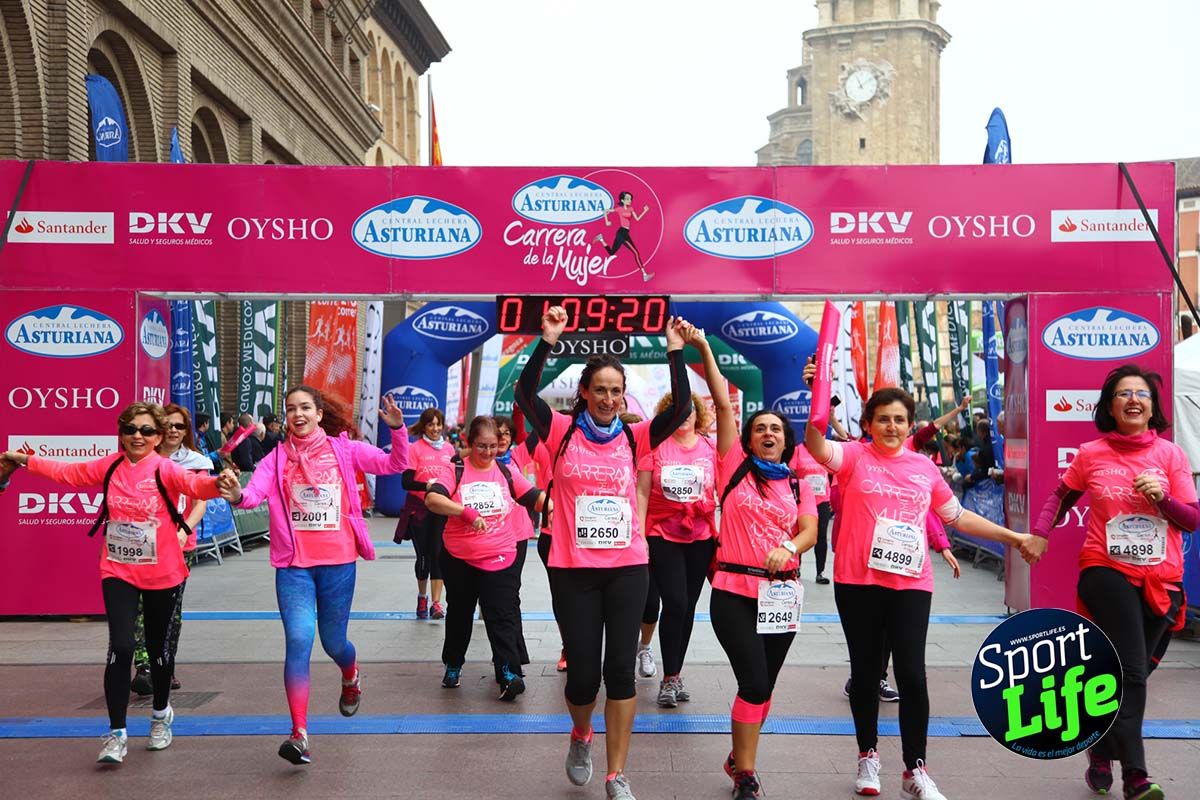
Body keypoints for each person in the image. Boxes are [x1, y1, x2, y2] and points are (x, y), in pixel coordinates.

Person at [805, 385, 1031, 800]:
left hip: (910, 583)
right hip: (858, 583)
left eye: (899, 420)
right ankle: (867, 756)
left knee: (912, 674)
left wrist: (1013, 537)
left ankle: (914, 769)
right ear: (869, 425)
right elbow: (815, 443)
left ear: (910, 425)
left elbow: (958, 517)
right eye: (883, 419)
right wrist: (818, 391)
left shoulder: (924, 468)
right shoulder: (854, 457)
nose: (891, 426)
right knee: (867, 673)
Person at [515, 305, 692, 800]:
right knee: (583, 680)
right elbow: (525, 394)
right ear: (585, 394)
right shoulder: (561, 431)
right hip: (574, 568)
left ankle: (616, 773)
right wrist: (547, 341)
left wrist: (673, 352)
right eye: (601, 390)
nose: (609, 399)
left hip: (628, 567)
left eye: (617, 391)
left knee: (619, 670)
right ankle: (580, 734)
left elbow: (679, 410)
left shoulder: (636, 437)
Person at [0, 403, 225, 764]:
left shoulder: (165, 468)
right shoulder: (111, 466)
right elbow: (67, 473)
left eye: (147, 430)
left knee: (159, 651)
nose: (138, 435)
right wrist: (22, 460)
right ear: (121, 434)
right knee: (121, 647)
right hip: (118, 569)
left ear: (157, 437)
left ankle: (160, 715)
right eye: (131, 429)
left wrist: (220, 484)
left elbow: (194, 484)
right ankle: (116, 733)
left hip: (163, 571)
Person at [1022, 365, 1196, 800]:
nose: (1133, 399)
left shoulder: (1171, 456)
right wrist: (1040, 535)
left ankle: (1099, 747)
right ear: (1109, 406)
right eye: (1123, 394)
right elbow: (1060, 497)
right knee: (1132, 671)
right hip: (1105, 570)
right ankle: (1135, 776)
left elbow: (1191, 520)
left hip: (1162, 579)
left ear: (1153, 407)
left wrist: (1163, 496)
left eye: (1142, 393)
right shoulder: (1091, 453)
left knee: (1123, 672)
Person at [217, 386, 409, 765]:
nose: (298, 414)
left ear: (320, 413)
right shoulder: (275, 459)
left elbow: (393, 465)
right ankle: (299, 733)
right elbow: (253, 496)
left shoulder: (345, 450)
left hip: (338, 564)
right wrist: (237, 495)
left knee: (334, 643)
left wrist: (398, 430)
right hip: (294, 567)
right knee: (299, 640)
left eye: (305, 407)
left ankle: (351, 675)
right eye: (291, 409)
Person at [689, 327, 818, 799]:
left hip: (782, 594)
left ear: (786, 442)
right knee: (754, 680)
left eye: (776, 429)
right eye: (761, 427)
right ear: (748, 437)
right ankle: (746, 774)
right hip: (733, 593)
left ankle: (737, 756)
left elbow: (810, 530)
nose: (768, 433)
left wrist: (792, 548)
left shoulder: (800, 482)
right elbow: (723, 405)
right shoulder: (733, 468)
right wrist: (702, 348)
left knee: (763, 690)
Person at [425, 415, 545, 700]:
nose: (489, 452)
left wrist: (559, 508)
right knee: (460, 614)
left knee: (501, 614)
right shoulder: (454, 468)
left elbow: (533, 497)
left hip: (500, 554)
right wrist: (465, 512)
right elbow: (433, 499)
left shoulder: (504, 472)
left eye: (493, 446)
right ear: (469, 442)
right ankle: (453, 663)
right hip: (459, 558)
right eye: (482, 446)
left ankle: (508, 672)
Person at [635, 393, 717, 708]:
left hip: (700, 536)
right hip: (662, 533)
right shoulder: (654, 446)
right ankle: (668, 679)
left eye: (689, 410)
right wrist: (640, 535)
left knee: (688, 608)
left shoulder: (709, 448)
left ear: (698, 416)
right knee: (675, 602)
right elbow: (642, 491)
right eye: (676, 411)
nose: (683, 415)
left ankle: (676, 674)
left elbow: (723, 486)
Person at [130, 403, 214, 696]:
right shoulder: (142, 459)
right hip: (143, 543)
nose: (174, 431)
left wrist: (183, 530)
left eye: (180, 427)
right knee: (140, 607)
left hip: (180, 546)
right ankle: (144, 667)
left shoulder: (195, 460)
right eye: (169, 426)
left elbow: (201, 501)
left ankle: (165, 664)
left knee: (171, 610)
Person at [396, 407, 454, 619]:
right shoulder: (415, 449)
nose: (435, 428)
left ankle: (437, 604)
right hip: (419, 510)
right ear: (424, 426)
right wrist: (427, 486)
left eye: (438, 424)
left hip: (442, 508)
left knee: (439, 554)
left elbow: (456, 477)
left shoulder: (449, 449)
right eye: (431, 424)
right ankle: (422, 597)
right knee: (424, 556)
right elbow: (406, 482)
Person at [594, 191, 654, 282]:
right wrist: (606, 221)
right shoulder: (619, 209)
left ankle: (601, 239)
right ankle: (644, 275)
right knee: (636, 253)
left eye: (630, 199)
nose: (629, 200)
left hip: (624, 232)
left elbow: (637, 219)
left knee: (611, 253)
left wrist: (644, 211)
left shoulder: (631, 209)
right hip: (622, 233)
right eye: (627, 199)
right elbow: (605, 211)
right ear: (622, 200)